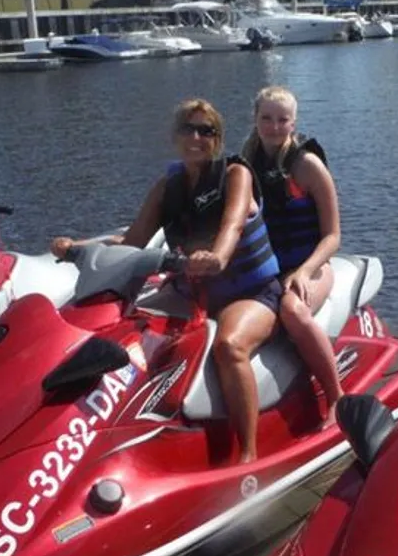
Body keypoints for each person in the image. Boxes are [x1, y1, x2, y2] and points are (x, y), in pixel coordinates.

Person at [52, 99, 281, 464]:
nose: (196, 137)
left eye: (206, 130)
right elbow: (132, 242)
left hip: (249, 292)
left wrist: (217, 256)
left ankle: (248, 454)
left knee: (229, 347)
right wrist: (77, 247)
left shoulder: (236, 175)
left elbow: (232, 225)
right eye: (187, 129)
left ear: (217, 138)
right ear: (175, 137)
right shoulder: (166, 188)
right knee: (123, 328)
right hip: (192, 292)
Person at [242, 86, 343, 424]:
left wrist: (304, 271)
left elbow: (333, 236)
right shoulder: (247, 163)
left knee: (292, 309)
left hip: (312, 264)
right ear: (255, 119)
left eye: (282, 120)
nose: (274, 127)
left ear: (293, 123)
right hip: (268, 269)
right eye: (266, 118)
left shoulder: (307, 165)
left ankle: (336, 398)